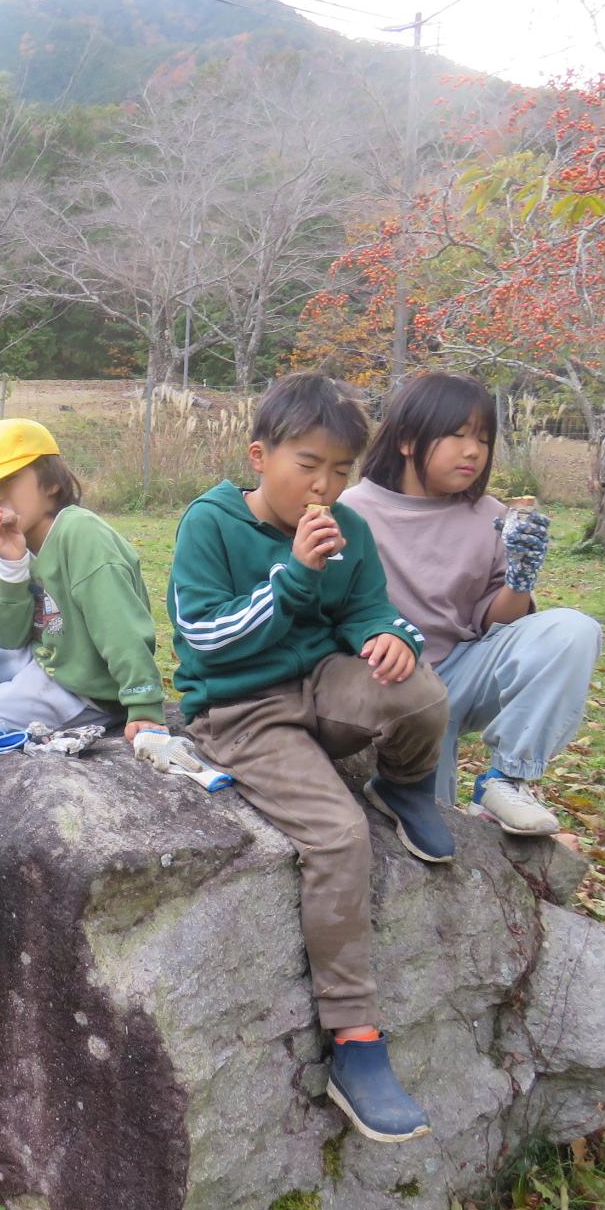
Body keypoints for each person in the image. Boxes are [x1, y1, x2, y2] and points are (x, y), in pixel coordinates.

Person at [167, 373, 448, 1145]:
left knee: (422, 694)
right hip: (241, 708)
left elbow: (368, 607)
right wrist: (293, 575)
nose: (323, 485)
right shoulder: (212, 524)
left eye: (339, 470)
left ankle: (406, 786)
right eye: (306, 463)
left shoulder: (346, 530)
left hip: (321, 686)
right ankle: (356, 1040)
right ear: (261, 455)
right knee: (337, 835)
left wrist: (388, 638)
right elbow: (206, 637)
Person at [340, 371, 600, 836]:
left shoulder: (494, 517)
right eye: (457, 435)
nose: (473, 451)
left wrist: (520, 576)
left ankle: (508, 778)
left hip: (462, 670)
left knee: (573, 631)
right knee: (431, 827)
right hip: (391, 688)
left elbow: (491, 624)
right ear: (406, 440)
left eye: (482, 438)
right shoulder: (350, 510)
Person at [0, 419, 166, 746]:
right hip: (44, 654)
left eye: (7, 480)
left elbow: (120, 627)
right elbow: (6, 636)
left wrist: (144, 706)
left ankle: (25, 704)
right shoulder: (16, 536)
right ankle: (13, 693)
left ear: (51, 483)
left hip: (82, 688)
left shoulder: (81, 534)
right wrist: (12, 564)